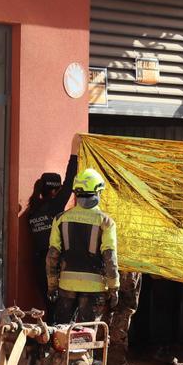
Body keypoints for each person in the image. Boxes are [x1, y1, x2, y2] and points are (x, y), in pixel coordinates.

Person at [45, 168, 119, 326]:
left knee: (61, 335)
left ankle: (58, 352)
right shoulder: (106, 222)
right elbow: (109, 258)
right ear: (97, 192)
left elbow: (52, 257)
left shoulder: (60, 219)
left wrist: (52, 286)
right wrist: (114, 288)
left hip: (66, 286)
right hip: (94, 288)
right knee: (86, 337)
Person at [27, 135, 80, 310]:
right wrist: (74, 154)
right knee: (61, 308)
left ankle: (50, 336)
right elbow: (70, 179)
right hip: (54, 265)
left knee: (49, 307)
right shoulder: (54, 206)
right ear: (55, 191)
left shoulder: (32, 210)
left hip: (38, 266)